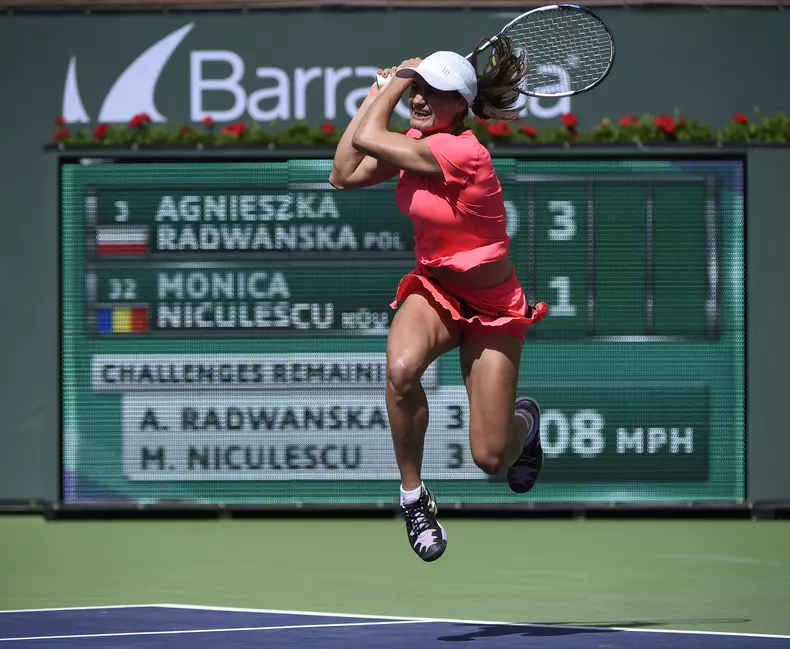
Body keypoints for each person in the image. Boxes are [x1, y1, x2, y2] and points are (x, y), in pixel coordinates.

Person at [328, 36, 549, 562]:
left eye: (434, 91)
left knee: (491, 457)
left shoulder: (462, 152)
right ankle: (414, 497)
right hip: (437, 289)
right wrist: (378, 94)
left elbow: (369, 137)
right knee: (401, 370)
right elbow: (342, 174)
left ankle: (525, 425)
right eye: (419, 88)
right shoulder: (414, 143)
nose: (421, 97)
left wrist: (397, 81)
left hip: (493, 308)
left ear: (461, 105)